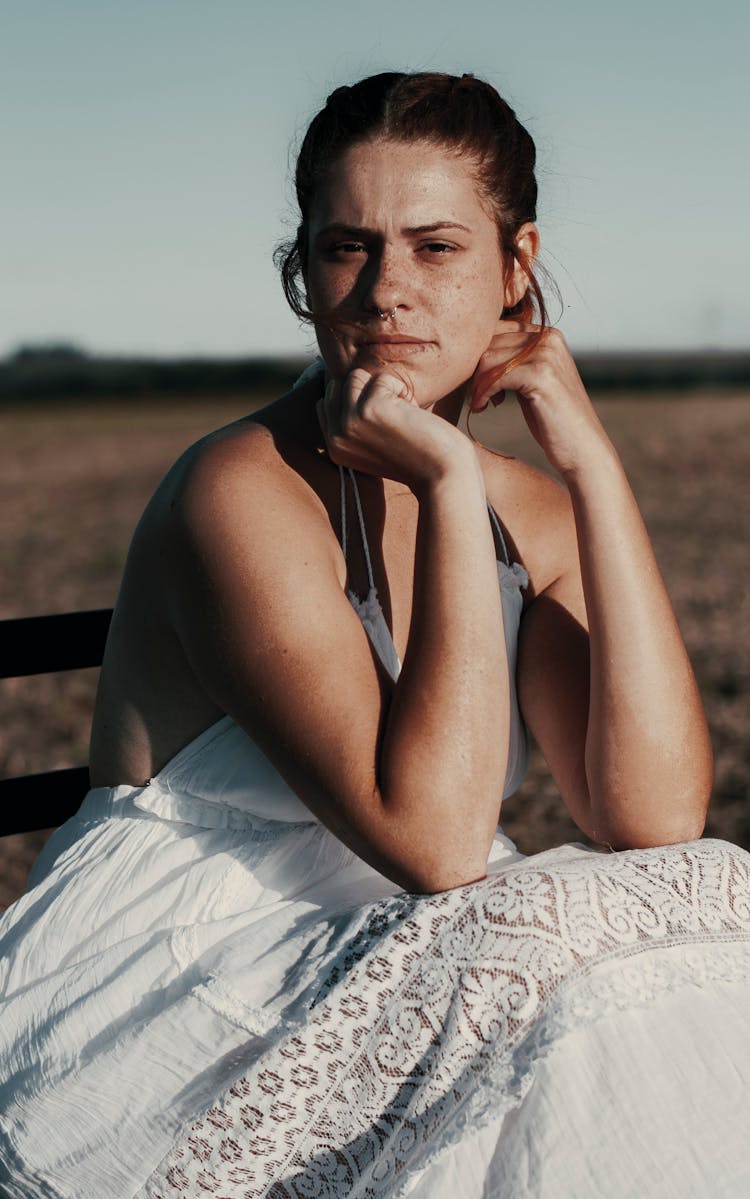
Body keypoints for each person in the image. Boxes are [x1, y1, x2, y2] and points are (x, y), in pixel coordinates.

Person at [1, 71, 749, 1199]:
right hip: (173, 966)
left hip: (399, 937)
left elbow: (650, 816)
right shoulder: (238, 492)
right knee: (557, 961)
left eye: (437, 246)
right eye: (348, 247)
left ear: (517, 263)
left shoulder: (523, 502)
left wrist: (591, 467)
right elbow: (437, 841)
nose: (386, 292)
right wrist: (449, 482)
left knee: (692, 913)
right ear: (302, 271)